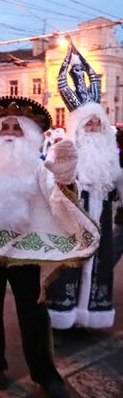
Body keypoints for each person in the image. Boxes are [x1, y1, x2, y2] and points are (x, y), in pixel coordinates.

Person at [0, 96, 100, 398]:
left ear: (29, 133)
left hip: (26, 251)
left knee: (34, 314)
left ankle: (46, 375)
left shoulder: (38, 168)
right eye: (5, 126)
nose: (11, 131)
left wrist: (66, 178)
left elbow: (58, 200)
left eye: (18, 127)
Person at [45, 46, 120, 329]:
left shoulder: (109, 154)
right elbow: (50, 177)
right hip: (72, 218)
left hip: (100, 218)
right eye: (88, 122)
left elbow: (116, 181)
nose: (92, 127)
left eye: (97, 123)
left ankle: (91, 312)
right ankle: (64, 313)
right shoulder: (64, 148)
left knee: (97, 265)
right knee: (70, 266)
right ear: (77, 126)